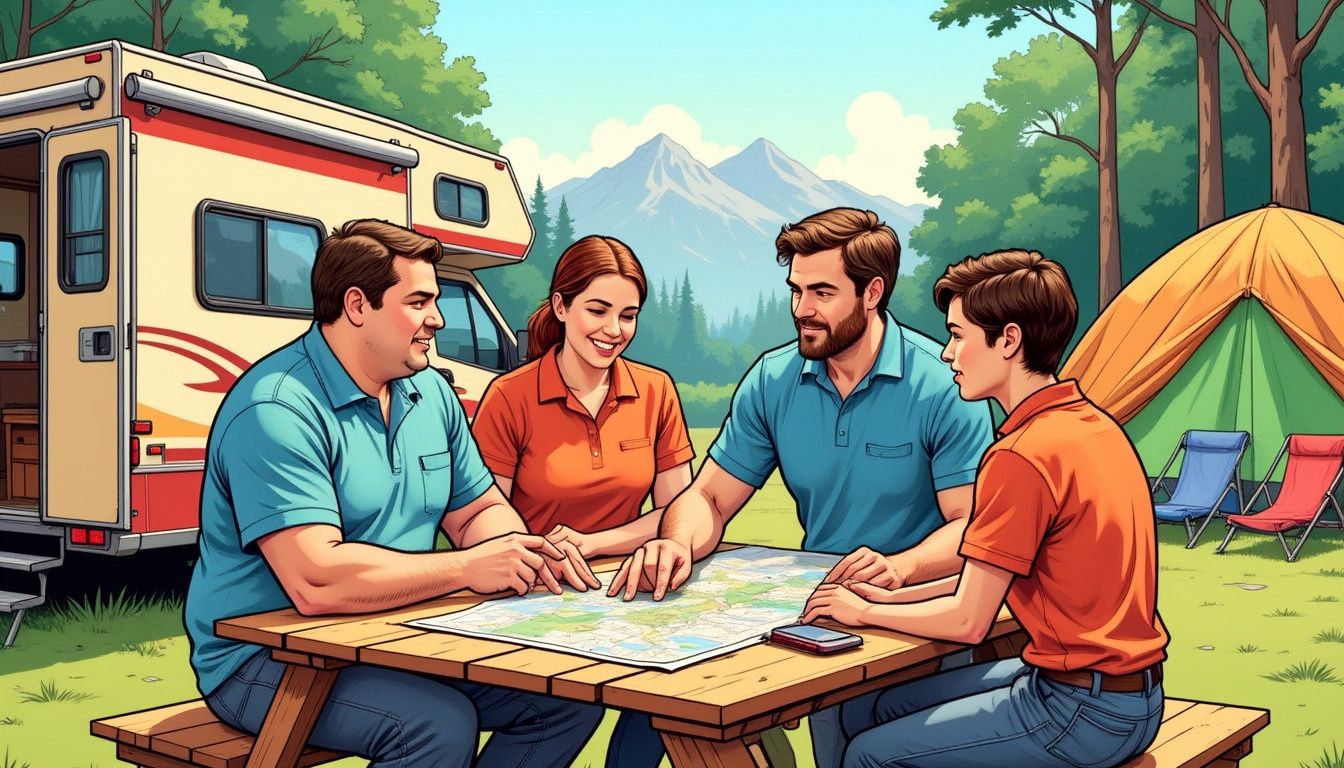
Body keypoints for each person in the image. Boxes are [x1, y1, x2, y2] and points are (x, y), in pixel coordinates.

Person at [183, 219, 604, 768]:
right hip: (264, 657)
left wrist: (521, 554)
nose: (437, 319)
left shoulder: (429, 390)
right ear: (358, 306)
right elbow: (315, 580)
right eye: (419, 302)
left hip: (393, 632)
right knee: (434, 726)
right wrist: (467, 569)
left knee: (564, 699)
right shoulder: (276, 407)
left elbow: (476, 508)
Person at [606, 207, 996, 766]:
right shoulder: (774, 377)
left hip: (918, 627)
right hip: (820, 618)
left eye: (821, 292)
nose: (801, 310)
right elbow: (710, 497)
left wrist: (899, 568)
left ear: (872, 292)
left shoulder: (940, 385)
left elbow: (970, 525)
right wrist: (678, 541)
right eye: (795, 291)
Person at [800, 249, 1170, 768]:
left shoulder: (1020, 455)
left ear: (1009, 340)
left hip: (1081, 710)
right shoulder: (1091, 427)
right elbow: (982, 584)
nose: (948, 355)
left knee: (867, 754)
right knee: (878, 708)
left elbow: (971, 620)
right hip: (1129, 695)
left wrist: (862, 612)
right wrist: (889, 594)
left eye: (958, 336)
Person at [470, 235, 694, 768]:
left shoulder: (656, 389)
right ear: (562, 307)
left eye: (628, 315)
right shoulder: (510, 397)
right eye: (598, 310)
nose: (614, 331)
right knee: (571, 705)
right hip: (534, 595)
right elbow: (481, 519)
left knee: (675, 692)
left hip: (628, 590)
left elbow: (681, 510)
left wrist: (596, 544)